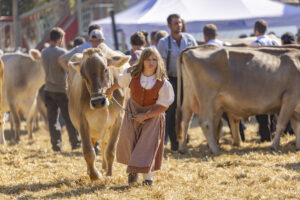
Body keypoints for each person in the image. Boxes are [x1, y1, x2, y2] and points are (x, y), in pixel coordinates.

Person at [106, 47, 174, 186]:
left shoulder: (163, 83)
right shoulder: (132, 75)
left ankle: (147, 179)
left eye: (154, 59)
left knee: (146, 145)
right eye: (148, 59)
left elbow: (163, 106)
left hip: (153, 115)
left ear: (158, 62)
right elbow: (120, 83)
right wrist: (110, 90)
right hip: (133, 111)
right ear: (142, 61)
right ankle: (132, 172)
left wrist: (146, 115)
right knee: (130, 141)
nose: (151, 62)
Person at [157, 14, 197, 151]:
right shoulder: (163, 43)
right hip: (172, 79)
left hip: (189, 79)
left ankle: (185, 138)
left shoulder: (190, 39)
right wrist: (166, 84)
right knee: (172, 111)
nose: (178, 25)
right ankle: (174, 142)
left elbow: (197, 60)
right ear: (169, 26)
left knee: (188, 109)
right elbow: (162, 64)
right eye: (175, 23)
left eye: (179, 23)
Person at [203, 24, 245, 141]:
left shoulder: (204, 50)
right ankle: (240, 137)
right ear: (216, 34)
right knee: (233, 113)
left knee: (216, 115)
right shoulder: (227, 45)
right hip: (231, 84)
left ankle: (215, 139)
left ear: (205, 35)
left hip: (214, 86)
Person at [41, 27, 81, 152]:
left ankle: (56, 145)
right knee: (69, 118)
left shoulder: (44, 52)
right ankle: (75, 143)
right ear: (59, 39)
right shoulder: (62, 53)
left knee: (52, 120)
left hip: (48, 89)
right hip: (61, 89)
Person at [251, 19, 280, 142]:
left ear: (255, 30)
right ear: (266, 30)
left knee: (262, 110)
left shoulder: (254, 44)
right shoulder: (275, 42)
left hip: (261, 80)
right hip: (276, 78)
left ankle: (265, 136)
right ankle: (274, 132)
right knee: (274, 107)